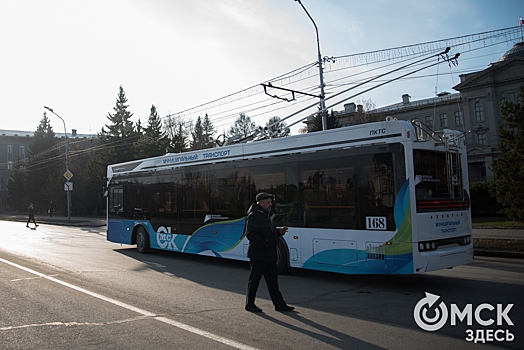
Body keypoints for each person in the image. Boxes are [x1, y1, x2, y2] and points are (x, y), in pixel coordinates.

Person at [245, 192, 294, 313]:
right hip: (259, 254)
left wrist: (278, 232)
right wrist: (265, 245)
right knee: (255, 280)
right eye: (268, 202)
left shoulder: (267, 215)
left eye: (271, 202)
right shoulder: (254, 215)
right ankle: (249, 304)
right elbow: (251, 234)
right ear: (260, 203)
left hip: (269, 255)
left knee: (273, 282)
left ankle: (280, 305)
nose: (270, 204)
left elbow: (267, 233)